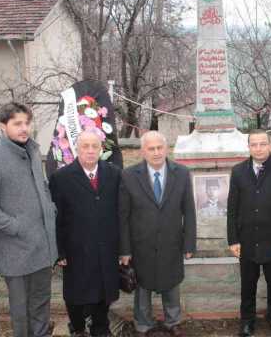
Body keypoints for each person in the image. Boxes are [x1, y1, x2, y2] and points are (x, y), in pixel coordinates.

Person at [0, 102, 58, 337]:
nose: (24, 128)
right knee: (21, 311)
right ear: (3, 126)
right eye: (17, 123)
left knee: (41, 303)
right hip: (15, 251)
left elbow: (42, 187)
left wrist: (49, 209)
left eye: (27, 123)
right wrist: (16, 226)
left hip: (42, 247)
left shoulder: (32, 151)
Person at [119, 131, 197, 337]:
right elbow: (123, 216)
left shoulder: (181, 173)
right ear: (143, 151)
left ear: (166, 148)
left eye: (159, 147)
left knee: (172, 283)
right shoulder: (128, 175)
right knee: (142, 287)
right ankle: (143, 324)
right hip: (140, 244)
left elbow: (189, 210)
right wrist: (124, 249)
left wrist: (189, 244)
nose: (156, 152)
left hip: (172, 243)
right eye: (151, 149)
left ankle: (173, 321)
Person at [49, 130, 122, 337]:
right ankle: (78, 327)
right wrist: (60, 251)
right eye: (85, 146)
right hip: (76, 248)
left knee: (103, 290)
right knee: (76, 293)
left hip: (106, 246)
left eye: (94, 146)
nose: (90, 151)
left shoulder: (114, 174)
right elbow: (57, 217)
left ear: (101, 149)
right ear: (76, 149)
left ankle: (100, 326)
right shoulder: (61, 178)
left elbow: (120, 211)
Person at [227, 130, 271, 337]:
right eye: (254, 144)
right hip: (247, 242)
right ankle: (247, 322)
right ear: (248, 147)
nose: (258, 148)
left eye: (262, 144)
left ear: (270, 145)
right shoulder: (238, 171)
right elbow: (232, 209)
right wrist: (233, 239)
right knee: (247, 286)